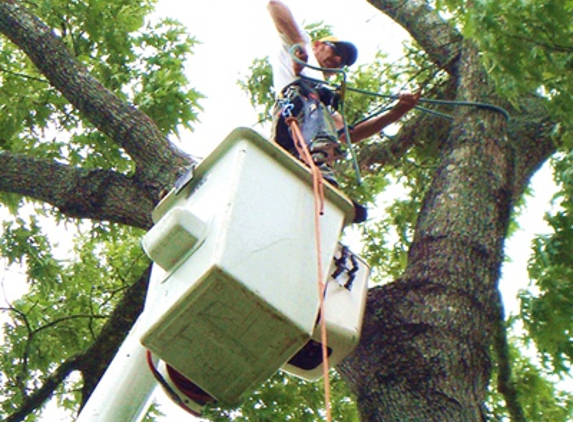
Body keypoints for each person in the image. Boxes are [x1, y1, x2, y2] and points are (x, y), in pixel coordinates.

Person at [267, 0, 420, 194]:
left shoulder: (325, 100)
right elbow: (274, 5)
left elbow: (350, 135)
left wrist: (396, 113)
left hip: (307, 131)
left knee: (329, 123)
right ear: (318, 45)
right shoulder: (302, 49)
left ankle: (319, 181)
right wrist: (299, 46)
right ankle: (320, 170)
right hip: (290, 115)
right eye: (336, 51)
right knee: (313, 103)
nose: (338, 60)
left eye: (343, 62)